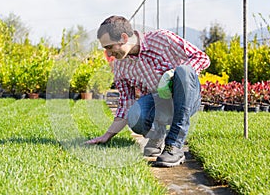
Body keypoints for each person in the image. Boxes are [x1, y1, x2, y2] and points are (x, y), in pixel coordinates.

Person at [85, 15, 210, 167]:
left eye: (110, 47)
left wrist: (174, 74)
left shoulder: (162, 39)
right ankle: (157, 135)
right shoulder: (120, 66)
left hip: (186, 97)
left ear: (124, 38)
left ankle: (174, 146)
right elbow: (126, 104)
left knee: (184, 71)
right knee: (135, 115)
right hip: (158, 103)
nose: (109, 54)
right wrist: (107, 135)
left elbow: (201, 57)